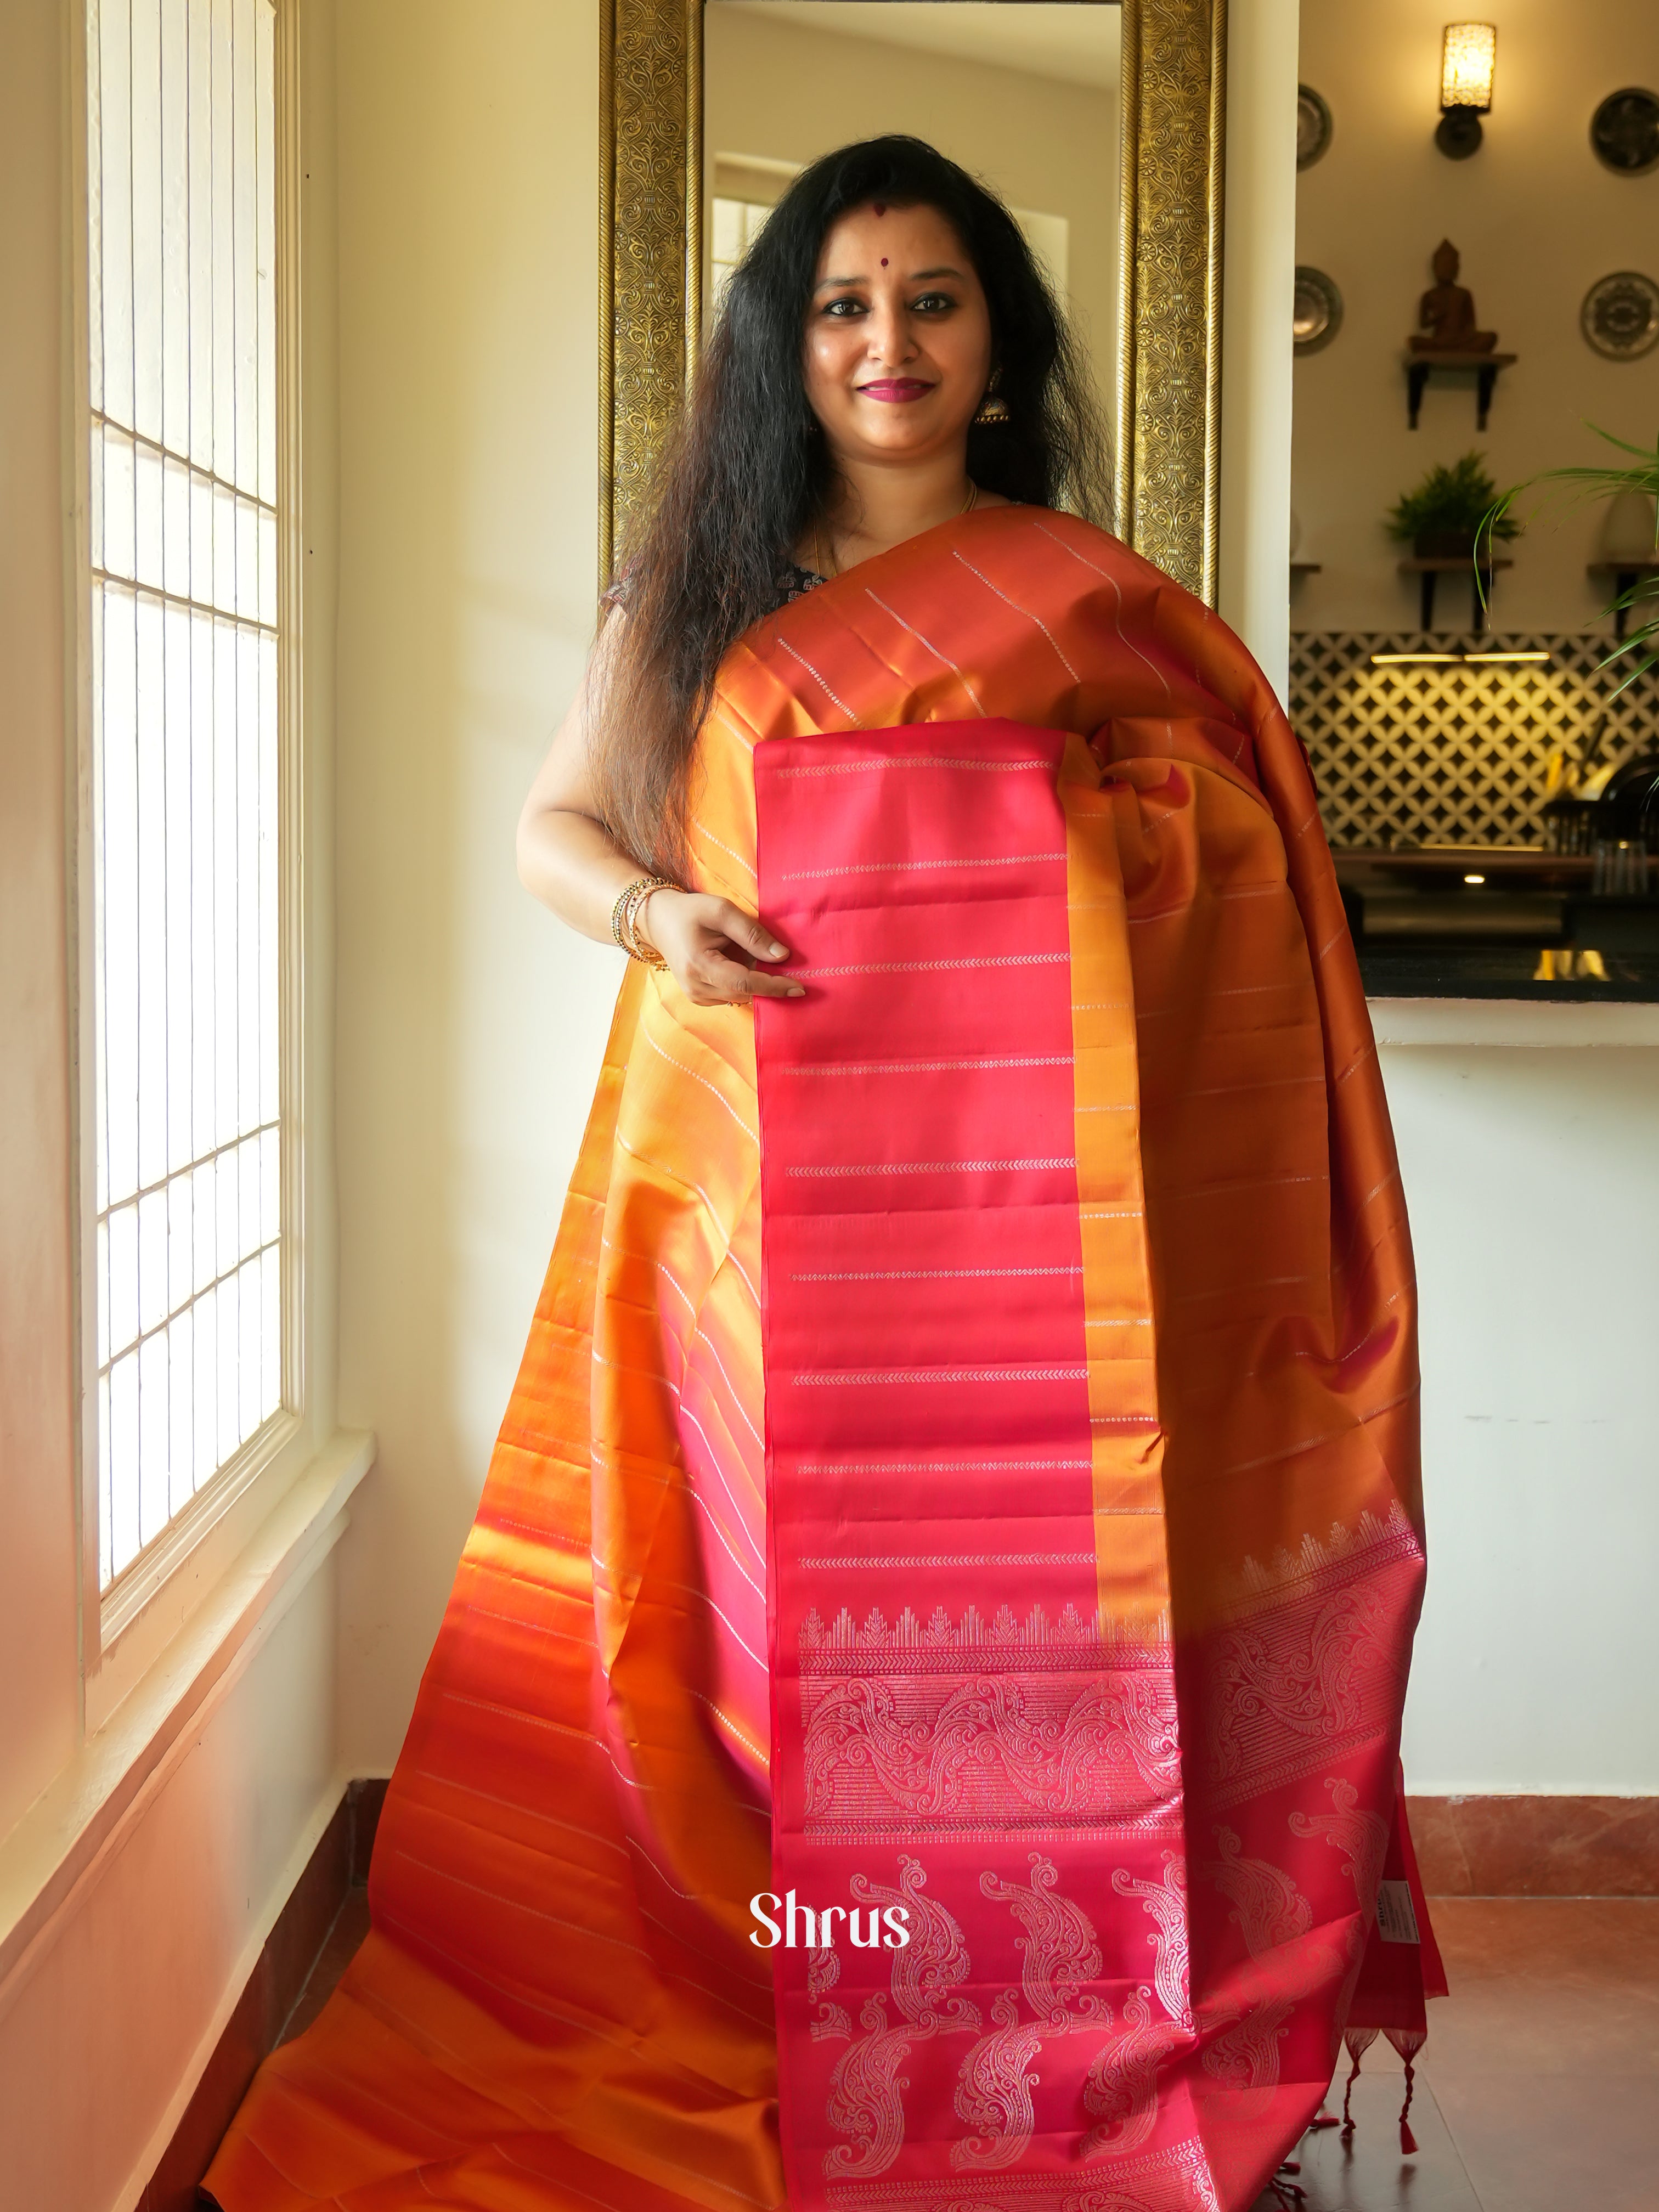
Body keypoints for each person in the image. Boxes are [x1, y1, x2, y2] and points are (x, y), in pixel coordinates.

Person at [206, 135, 1440, 2212]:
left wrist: (1077, 851)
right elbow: (558, 829)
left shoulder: (1096, 604)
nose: (891, 343)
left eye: (934, 299)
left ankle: (1030, 2022)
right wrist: (655, 921)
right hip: (764, 1219)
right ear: (786, 342)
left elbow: (1231, 858)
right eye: (846, 305)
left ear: (1000, 340)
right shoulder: (696, 590)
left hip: (1041, 1248)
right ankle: (807, 2000)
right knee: (772, 1645)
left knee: (1053, 1632)